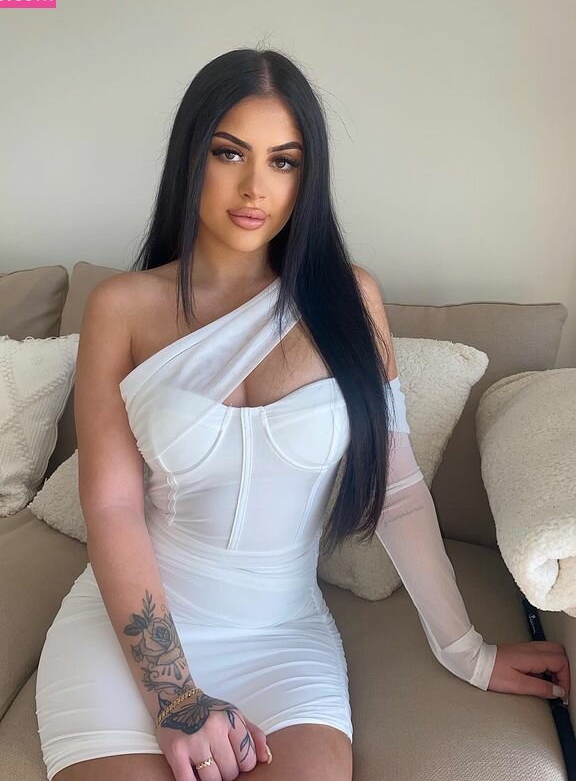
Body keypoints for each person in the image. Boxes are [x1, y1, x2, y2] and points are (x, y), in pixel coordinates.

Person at [35, 47, 570, 781]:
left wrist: (467, 652)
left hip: (279, 640)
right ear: (191, 157)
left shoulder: (350, 300)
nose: (256, 186)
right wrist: (176, 699)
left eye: (283, 161)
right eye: (230, 153)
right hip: (136, 633)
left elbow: (398, 492)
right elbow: (113, 507)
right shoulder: (121, 308)